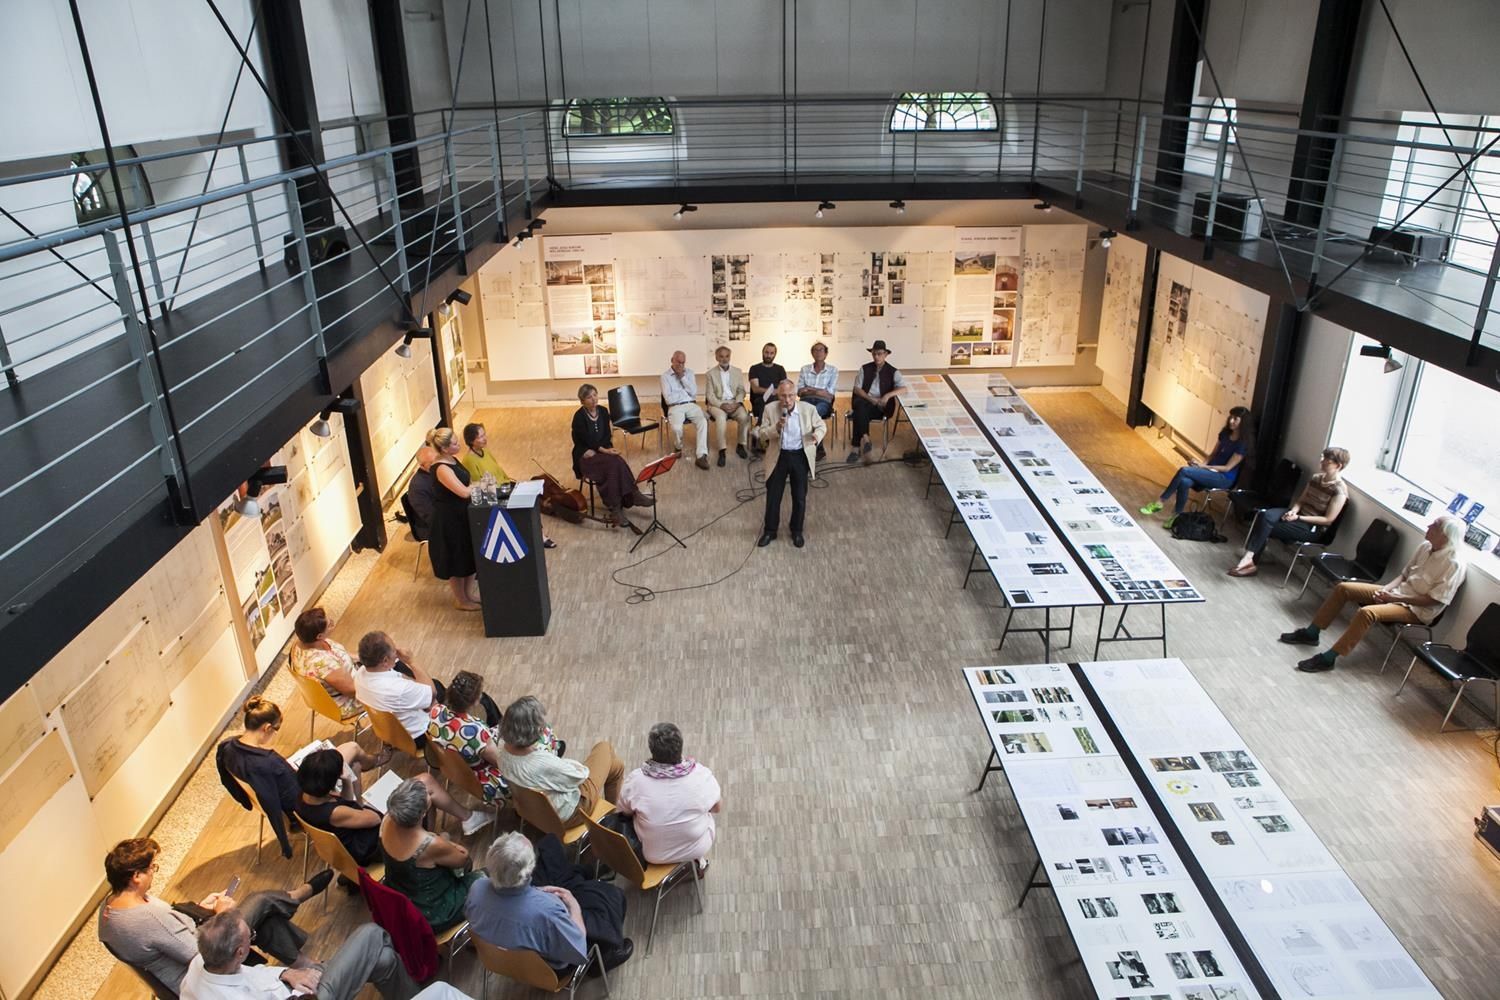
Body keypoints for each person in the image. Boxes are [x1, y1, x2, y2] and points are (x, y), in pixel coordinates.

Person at [97, 837, 330, 994]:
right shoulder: (147, 918)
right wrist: (221, 916)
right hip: (202, 971)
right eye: (152, 869)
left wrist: (202, 909)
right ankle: (297, 897)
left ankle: (303, 961)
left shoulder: (110, 908)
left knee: (263, 917)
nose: (153, 873)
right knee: (259, 901)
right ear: (136, 877)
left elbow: (170, 933)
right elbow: (203, 952)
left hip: (196, 942)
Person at [1281, 515, 1467, 673]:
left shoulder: (1454, 564)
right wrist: (1386, 590)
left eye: (1434, 526)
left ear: (1445, 535)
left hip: (1416, 610)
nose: (1428, 526)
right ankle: (1312, 633)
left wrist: (1394, 598)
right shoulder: (1425, 546)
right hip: (1396, 593)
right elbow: (1404, 574)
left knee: (1367, 612)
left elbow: (1433, 600)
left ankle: (1330, 658)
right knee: (1343, 588)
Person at [216, 698, 380, 859]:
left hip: (301, 796)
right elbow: (376, 819)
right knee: (352, 750)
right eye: (276, 728)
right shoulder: (268, 763)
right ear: (267, 728)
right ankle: (376, 762)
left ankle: (371, 767)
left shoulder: (228, 748)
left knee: (353, 761)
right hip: (308, 795)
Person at [467, 832, 633, 973]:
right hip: (550, 965)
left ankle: (582, 873)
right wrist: (573, 904)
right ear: (529, 871)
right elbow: (578, 950)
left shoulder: (476, 888)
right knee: (611, 897)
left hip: (502, 951)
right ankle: (605, 956)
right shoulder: (549, 911)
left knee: (549, 844)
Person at [295, 746, 491, 865]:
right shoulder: (335, 812)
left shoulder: (304, 797)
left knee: (422, 783)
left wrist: (349, 781)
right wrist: (350, 783)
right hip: (373, 845)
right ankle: (433, 836)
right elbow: (373, 818)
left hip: (354, 836)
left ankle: (462, 819)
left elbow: (351, 808)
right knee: (424, 787)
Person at [179, 910, 418, 1000]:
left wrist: (286, 972)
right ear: (240, 952)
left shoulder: (202, 961)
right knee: (371, 932)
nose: (252, 937)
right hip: (308, 997)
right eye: (250, 936)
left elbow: (252, 974)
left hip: (291, 984)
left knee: (384, 960)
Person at [353, 631, 500, 746]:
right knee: (479, 697)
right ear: (385, 661)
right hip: (422, 734)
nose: (397, 651)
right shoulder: (399, 690)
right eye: (393, 649)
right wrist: (411, 661)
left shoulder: (360, 675)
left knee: (430, 682)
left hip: (394, 730)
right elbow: (431, 693)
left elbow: (407, 681)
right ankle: (499, 734)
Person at [498, 696, 623, 828]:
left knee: (616, 767)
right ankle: (615, 821)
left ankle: (615, 818)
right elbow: (580, 776)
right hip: (571, 812)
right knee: (604, 747)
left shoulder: (501, 753)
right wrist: (571, 764)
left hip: (534, 811)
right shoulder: (540, 763)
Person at [1228, 447, 1350, 577]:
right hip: (1298, 514)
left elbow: (1328, 520)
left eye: (1327, 460)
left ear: (1338, 465)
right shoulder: (1316, 478)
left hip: (1311, 527)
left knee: (1266, 526)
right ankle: (1250, 558)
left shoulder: (1339, 490)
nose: (1322, 461)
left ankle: (1249, 559)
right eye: (1323, 457)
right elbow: (1300, 501)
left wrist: (1298, 518)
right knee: (1264, 515)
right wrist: (1293, 512)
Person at [379, 778, 484, 931]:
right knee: (486, 878)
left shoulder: (386, 820)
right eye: (427, 796)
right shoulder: (428, 844)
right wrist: (444, 841)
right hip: (431, 912)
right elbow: (463, 858)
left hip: (400, 895)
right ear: (422, 814)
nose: (429, 794)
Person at [616, 723, 721, 870]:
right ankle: (699, 864)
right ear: (680, 747)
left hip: (651, 855)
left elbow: (624, 812)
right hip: (694, 850)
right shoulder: (702, 776)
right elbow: (717, 808)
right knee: (706, 814)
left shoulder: (635, 780)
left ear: (652, 750)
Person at [1140, 407, 1252, 527]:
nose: (1231, 421)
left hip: (1224, 478)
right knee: (1184, 482)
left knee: (1184, 470)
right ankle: (1175, 516)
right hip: (1210, 471)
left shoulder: (1242, 444)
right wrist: (1200, 465)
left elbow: (1227, 468)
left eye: (1235, 419)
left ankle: (1160, 502)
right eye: (1231, 417)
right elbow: (1212, 455)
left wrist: (1203, 467)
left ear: (1243, 422)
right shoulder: (1225, 434)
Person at [571, 383, 654, 532]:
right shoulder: (579, 417)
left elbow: (606, 435)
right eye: (589, 397)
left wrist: (606, 450)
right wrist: (603, 451)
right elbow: (585, 440)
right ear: (582, 401)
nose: (593, 399)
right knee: (612, 464)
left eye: (595, 395)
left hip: (602, 452)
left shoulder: (603, 411)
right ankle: (621, 503)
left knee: (617, 462)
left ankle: (625, 500)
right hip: (586, 455)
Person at [755, 379, 826, 549]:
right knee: (773, 497)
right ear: (778, 395)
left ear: (796, 395)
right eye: (783, 396)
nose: (787, 400)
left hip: (800, 456)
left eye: (790, 395)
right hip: (778, 456)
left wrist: (816, 436)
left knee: (799, 497)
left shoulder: (808, 409)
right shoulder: (769, 409)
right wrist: (776, 428)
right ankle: (770, 531)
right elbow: (762, 434)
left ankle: (797, 530)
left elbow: (821, 426)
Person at [462, 422, 555, 548]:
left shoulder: (485, 451)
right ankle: (540, 536)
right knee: (525, 503)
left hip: (504, 485)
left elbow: (498, 469)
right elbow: (480, 483)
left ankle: (539, 532)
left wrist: (511, 483)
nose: (485, 438)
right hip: (494, 493)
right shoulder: (469, 460)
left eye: (484, 435)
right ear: (471, 441)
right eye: (480, 437)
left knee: (532, 497)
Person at [425, 427, 480, 611]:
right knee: (457, 559)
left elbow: (465, 484)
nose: (459, 445)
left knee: (468, 556)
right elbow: (463, 492)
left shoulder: (452, 459)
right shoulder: (441, 468)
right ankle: (461, 600)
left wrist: (474, 485)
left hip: (462, 515)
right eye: (455, 443)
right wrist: (480, 485)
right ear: (445, 448)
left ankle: (468, 594)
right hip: (449, 520)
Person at [288, 608, 362, 721]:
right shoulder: (324, 663)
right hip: (346, 701)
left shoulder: (299, 644)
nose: (332, 622)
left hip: (332, 690)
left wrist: (363, 658)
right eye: (329, 624)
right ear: (319, 636)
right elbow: (352, 691)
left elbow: (339, 654)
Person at [847, 339, 907, 465]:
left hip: (881, 407)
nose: (876, 356)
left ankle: (856, 448)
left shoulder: (893, 371)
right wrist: (871, 399)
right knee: (860, 407)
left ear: (886, 354)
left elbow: (903, 388)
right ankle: (865, 439)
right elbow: (857, 389)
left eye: (879, 354)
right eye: (874, 354)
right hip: (866, 402)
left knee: (858, 411)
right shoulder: (864, 368)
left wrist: (887, 396)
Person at [660, 350, 709, 469]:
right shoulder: (665, 377)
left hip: (691, 405)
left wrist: (682, 377)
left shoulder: (689, 373)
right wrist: (684, 394)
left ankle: (701, 455)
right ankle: (678, 447)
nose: (680, 365)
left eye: (683, 363)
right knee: (677, 428)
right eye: (678, 362)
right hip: (675, 406)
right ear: (672, 360)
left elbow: (694, 392)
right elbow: (668, 399)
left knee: (703, 422)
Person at [704, 345, 751, 466]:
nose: (724, 359)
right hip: (717, 404)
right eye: (721, 356)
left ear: (730, 357)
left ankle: (741, 445)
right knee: (720, 418)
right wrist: (722, 405)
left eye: (727, 356)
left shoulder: (737, 371)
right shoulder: (710, 374)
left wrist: (737, 403)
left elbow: (741, 390)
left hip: (734, 402)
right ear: (716, 358)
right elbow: (710, 396)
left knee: (744, 417)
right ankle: (722, 451)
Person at [796, 342, 838, 461]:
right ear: (812, 353)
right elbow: (800, 392)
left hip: (824, 402)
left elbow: (829, 394)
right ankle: (816, 448)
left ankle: (814, 447)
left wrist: (809, 389)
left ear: (826, 353)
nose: (818, 352)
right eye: (815, 350)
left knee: (815, 412)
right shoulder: (805, 369)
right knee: (804, 412)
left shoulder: (833, 370)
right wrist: (819, 391)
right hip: (806, 401)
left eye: (821, 350)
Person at [747, 342, 787, 453]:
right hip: (759, 402)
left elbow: (784, 387)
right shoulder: (754, 368)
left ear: (775, 354)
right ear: (762, 352)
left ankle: (758, 428)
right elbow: (755, 388)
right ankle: (767, 439)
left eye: (771, 353)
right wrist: (771, 392)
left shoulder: (780, 369)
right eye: (766, 352)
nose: (768, 355)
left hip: (776, 403)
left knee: (774, 403)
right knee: (771, 402)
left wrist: (777, 392)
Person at [404, 446, 439, 537]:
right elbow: (431, 517)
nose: (437, 464)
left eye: (437, 459)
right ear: (422, 466)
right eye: (432, 463)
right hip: (429, 528)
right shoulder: (418, 487)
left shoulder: (435, 473)